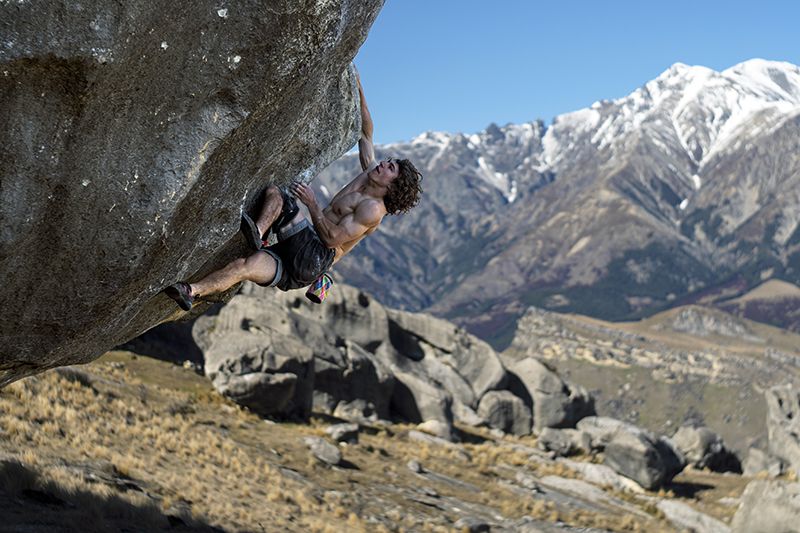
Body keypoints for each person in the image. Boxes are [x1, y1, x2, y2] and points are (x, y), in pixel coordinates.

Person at [164, 74, 423, 310]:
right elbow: (366, 132)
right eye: (387, 161)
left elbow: (333, 239)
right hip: (299, 266)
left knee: (280, 196)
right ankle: (191, 291)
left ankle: (259, 234)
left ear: (392, 186)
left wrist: (311, 204)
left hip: (315, 255)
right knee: (243, 267)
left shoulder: (372, 209)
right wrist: (357, 84)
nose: (383, 164)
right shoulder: (370, 174)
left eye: (390, 168)